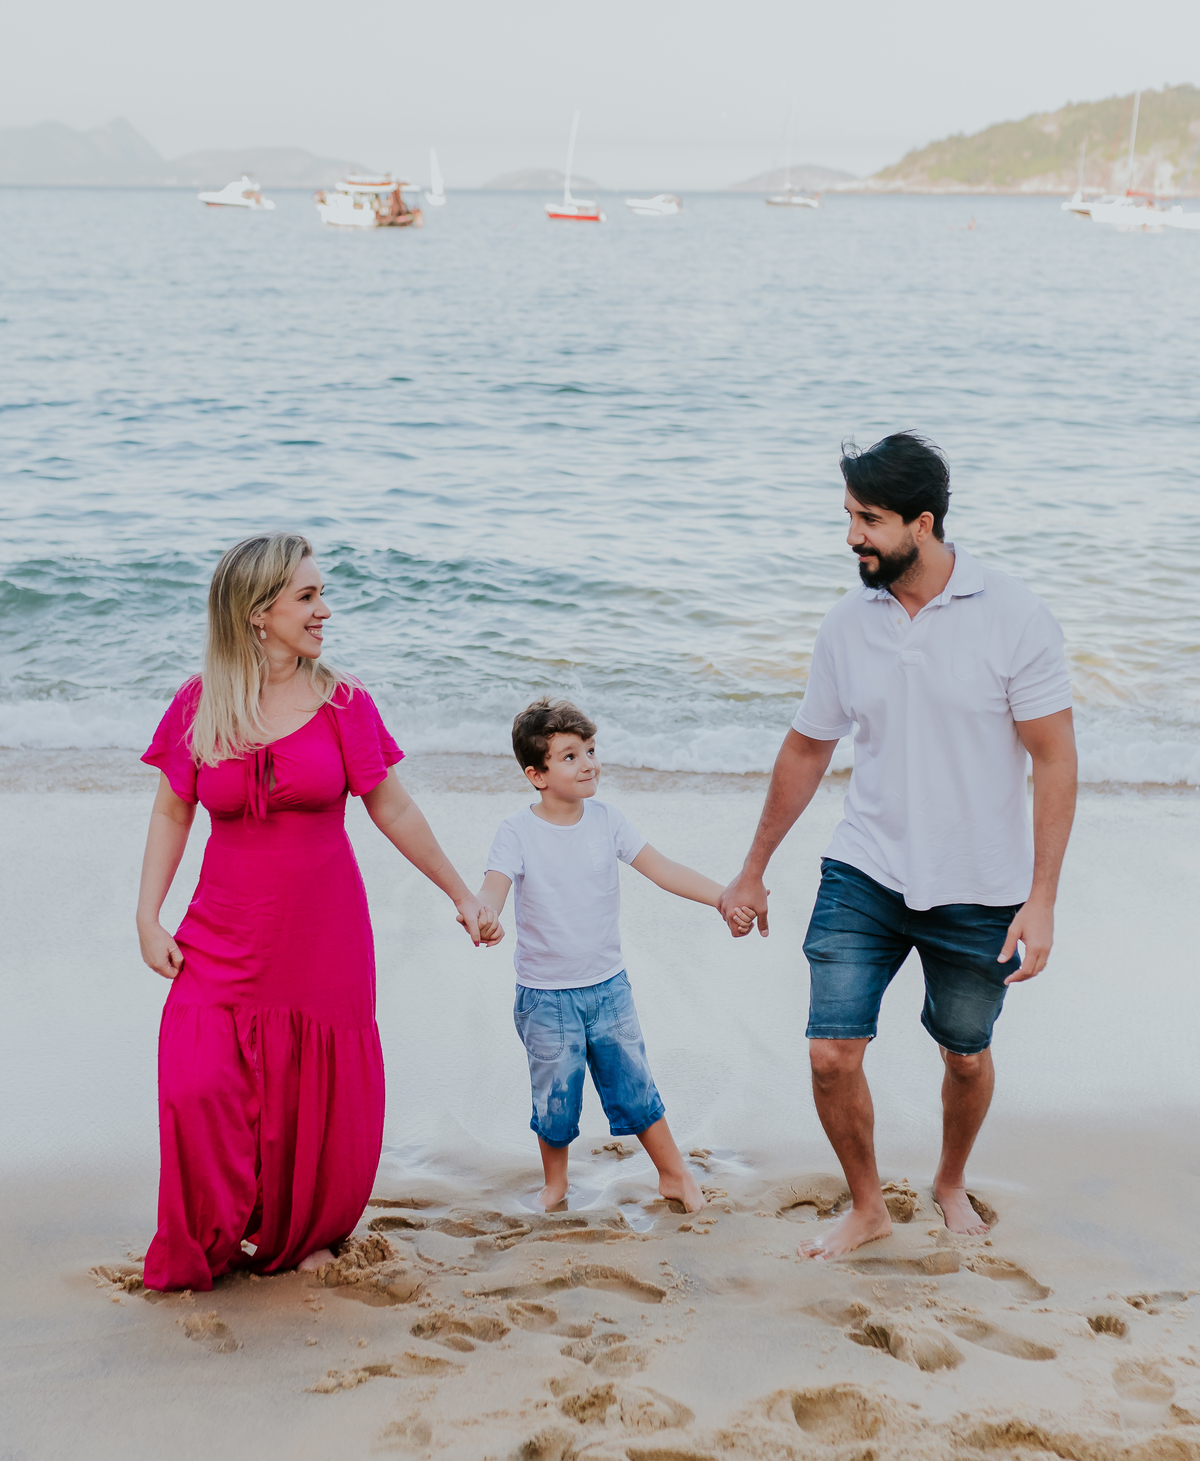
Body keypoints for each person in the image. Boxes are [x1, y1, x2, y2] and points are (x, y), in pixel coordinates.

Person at [718, 433, 1077, 1258]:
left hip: (981, 886)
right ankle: (868, 1204)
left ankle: (950, 1179)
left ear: (923, 522)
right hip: (867, 868)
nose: (852, 536)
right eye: (847, 516)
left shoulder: (1014, 614)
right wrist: (754, 868)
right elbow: (807, 747)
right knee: (830, 1053)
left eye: (868, 520)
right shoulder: (848, 623)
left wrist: (1042, 896)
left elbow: (1054, 758)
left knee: (964, 1054)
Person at [135, 532, 500, 1292]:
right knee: (196, 1080)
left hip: (321, 931)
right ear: (257, 611)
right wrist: (149, 914)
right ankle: (216, 1228)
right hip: (222, 932)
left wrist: (461, 892)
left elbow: (391, 808)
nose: (324, 610)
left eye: (320, 593)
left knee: (311, 1090)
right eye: (307, 596)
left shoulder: (344, 701)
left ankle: (301, 1234)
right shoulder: (198, 704)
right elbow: (173, 809)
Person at [478, 697, 754, 1214]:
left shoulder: (608, 820)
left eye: (589, 750)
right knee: (556, 1102)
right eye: (569, 757)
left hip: (609, 988)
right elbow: (494, 886)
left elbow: (662, 867)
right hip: (546, 998)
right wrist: (485, 914)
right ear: (536, 774)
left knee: (636, 1087)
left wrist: (722, 896)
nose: (587, 763)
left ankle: (674, 1175)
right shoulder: (517, 831)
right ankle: (555, 1184)